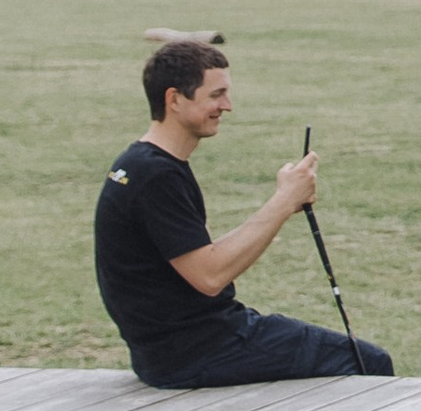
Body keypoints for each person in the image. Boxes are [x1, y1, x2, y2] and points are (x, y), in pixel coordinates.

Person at [94, 42, 393, 385]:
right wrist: (283, 200)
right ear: (174, 99)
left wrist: (286, 202)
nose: (228, 106)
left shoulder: (138, 164)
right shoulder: (156, 175)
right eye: (216, 95)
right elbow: (209, 276)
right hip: (197, 351)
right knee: (369, 362)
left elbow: (196, 259)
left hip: (175, 350)